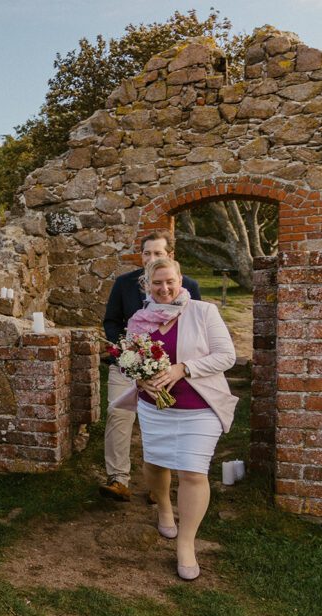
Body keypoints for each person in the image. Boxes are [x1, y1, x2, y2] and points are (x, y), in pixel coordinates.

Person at [112, 257, 237, 580]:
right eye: (157, 283)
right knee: (155, 465)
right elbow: (129, 361)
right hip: (156, 408)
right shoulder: (139, 319)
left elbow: (227, 356)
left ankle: (186, 543)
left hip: (199, 406)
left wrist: (184, 368)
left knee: (193, 472)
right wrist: (140, 378)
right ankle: (165, 507)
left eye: (170, 281)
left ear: (180, 280)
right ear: (147, 285)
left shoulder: (203, 312)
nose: (165, 288)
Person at [100, 231, 201, 502]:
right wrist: (127, 353)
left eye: (158, 253)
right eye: (147, 253)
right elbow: (111, 322)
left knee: (163, 419)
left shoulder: (187, 285)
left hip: (169, 369)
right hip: (128, 364)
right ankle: (118, 478)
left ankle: (160, 487)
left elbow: (196, 328)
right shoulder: (124, 284)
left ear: (170, 256)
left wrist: (177, 367)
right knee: (118, 412)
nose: (151, 258)